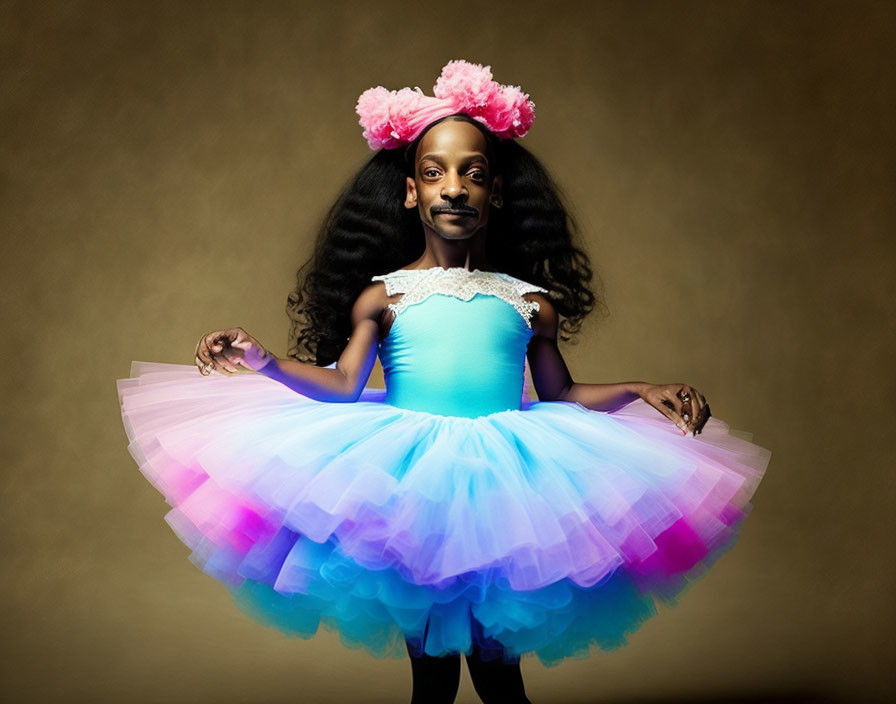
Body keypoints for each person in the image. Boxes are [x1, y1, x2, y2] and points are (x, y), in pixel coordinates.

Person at [117, 60, 771, 704]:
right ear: (410, 192)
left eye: (473, 174)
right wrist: (261, 358)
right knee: (430, 675)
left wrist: (639, 389)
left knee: (497, 674)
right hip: (410, 485)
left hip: (507, 485)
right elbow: (344, 384)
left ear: (498, 194)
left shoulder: (530, 301)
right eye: (434, 173)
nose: (453, 188)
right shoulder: (385, 296)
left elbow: (562, 397)